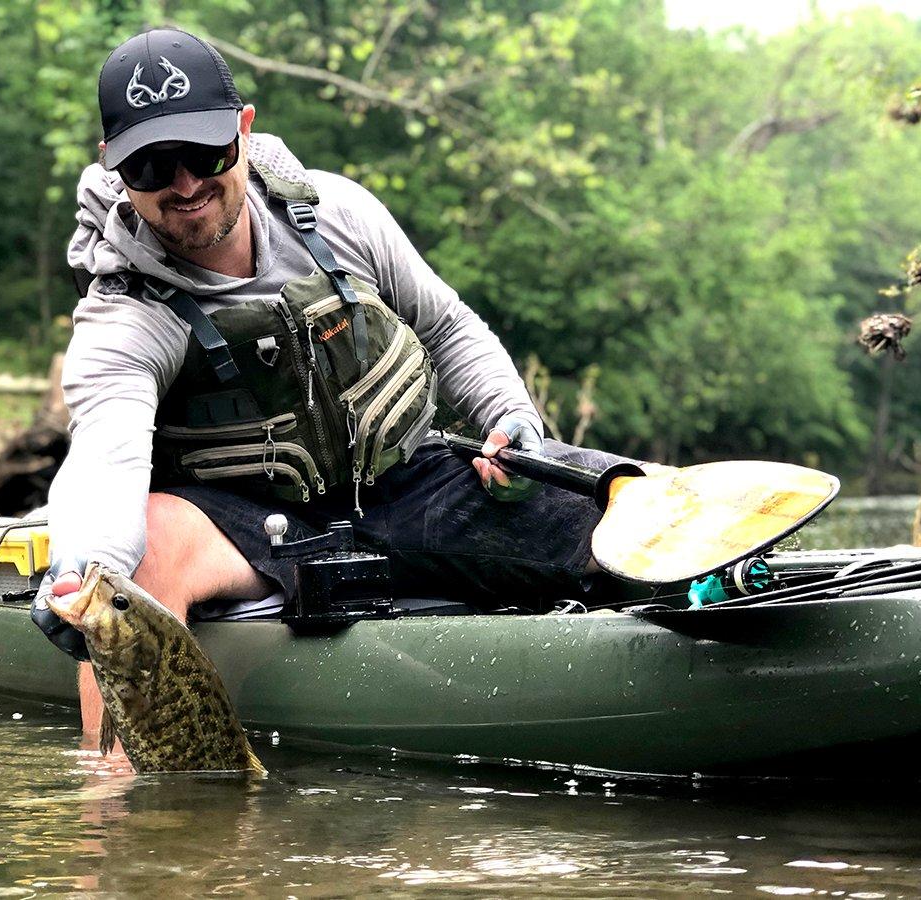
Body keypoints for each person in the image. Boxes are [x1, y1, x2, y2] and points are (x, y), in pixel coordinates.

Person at [33, 28, 627, 737]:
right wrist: (88, 573)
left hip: (408, 484)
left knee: (624, 496)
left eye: (204, 153)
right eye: (154, 166)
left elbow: (447, 325)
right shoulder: (123, 315)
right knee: (140, 562)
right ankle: (125, 811)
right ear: (115, 168)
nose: (185, 185)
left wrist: (510, 414)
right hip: (243, 526)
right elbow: (105, 462)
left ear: (244, 131)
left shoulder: (339, 213)